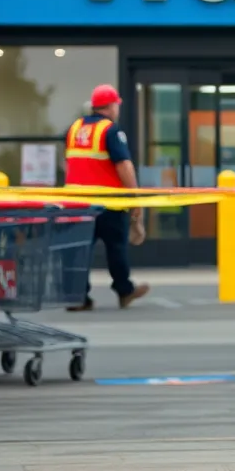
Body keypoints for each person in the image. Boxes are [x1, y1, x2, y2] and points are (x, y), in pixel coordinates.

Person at [64, 84, 150, 311]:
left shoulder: (74, 128)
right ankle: (124, 291)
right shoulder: (111, 131)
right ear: (111, 106)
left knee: (79, 251)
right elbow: (124, 166)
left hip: (77, 203)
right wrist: (135, 198)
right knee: (116, 248)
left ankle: (77, 297)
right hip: (108, 202)